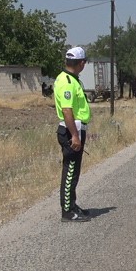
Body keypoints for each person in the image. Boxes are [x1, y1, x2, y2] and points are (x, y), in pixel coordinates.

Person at [55, 46, 92, 222]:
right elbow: (67, 110)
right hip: (71, 130)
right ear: (81, 63)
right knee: (70, 172)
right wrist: (75, 136)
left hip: (76, 128)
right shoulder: (67, 82)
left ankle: (72, 204)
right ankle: (67, 211)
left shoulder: (71, 79)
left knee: (74, 172)